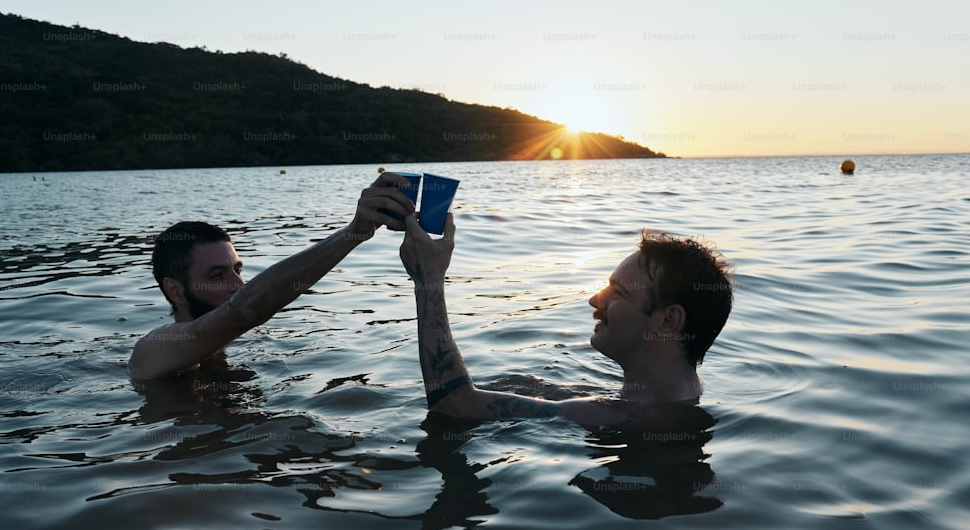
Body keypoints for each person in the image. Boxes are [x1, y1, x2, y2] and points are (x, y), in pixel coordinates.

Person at [399, 214, 733, 432]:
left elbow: (454, 404)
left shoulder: (612, 417)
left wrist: (428, 278)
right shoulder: (689, 395)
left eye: (617, 293)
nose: (595, 301)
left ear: (668, 320)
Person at [128, 173, 416, 380]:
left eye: (237, 270)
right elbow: (244, 310)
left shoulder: (233, 347)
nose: (238, 285)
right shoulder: (153, 349)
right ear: (176, 291)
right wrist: (353, 233)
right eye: (217, 275)